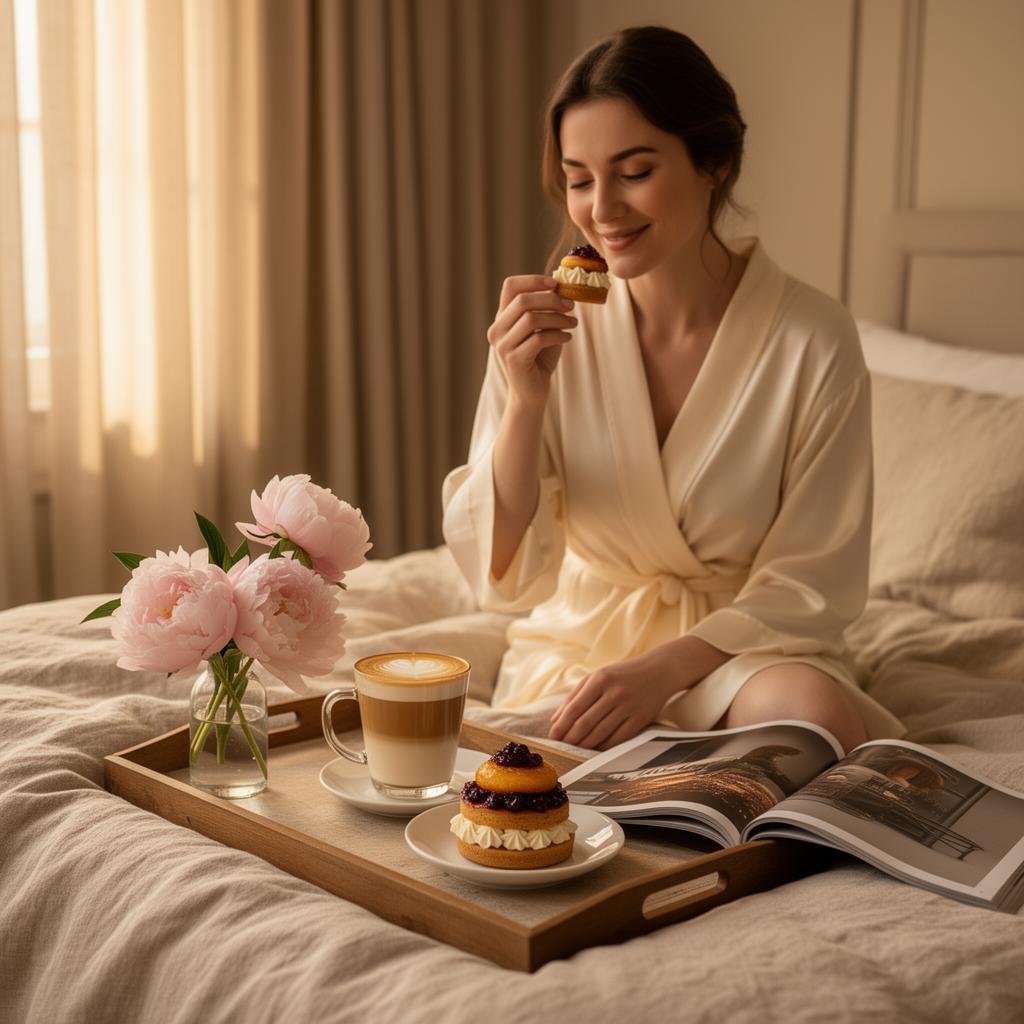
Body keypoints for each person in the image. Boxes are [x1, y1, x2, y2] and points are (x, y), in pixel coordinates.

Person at [441, 25, 904, 754]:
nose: (601, 210)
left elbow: (812, 581)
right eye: (580, 178)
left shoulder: (812, 338)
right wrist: (526, 400)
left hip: (740, 650)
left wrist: (663, 673)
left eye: (634, 171)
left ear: (713, 161)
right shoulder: (550, 327)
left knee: (817, 717)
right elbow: (505, 576)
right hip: (585, 642)